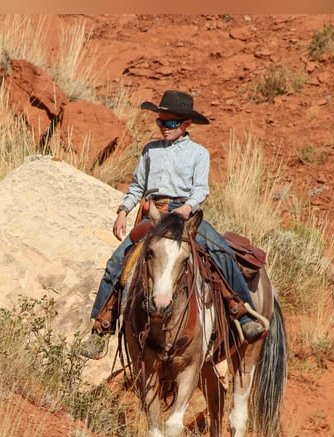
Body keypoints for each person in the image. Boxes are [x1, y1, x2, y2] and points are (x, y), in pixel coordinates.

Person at [80, 90, 266, 359]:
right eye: (160, 122)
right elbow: (137, 186)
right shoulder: (149, 151)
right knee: (117, 262)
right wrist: (123, 210)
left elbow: (200, 190)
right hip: (153, 216)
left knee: (221, 252)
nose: (163, 128)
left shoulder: (198, 154)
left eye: (170, 123)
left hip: (186, 215)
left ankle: (243, 312)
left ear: (186, 124)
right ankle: (101, 327)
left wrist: (185, 210)